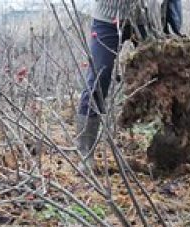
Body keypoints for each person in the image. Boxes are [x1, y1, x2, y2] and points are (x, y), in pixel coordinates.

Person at [75, 0, 183, 168]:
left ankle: (171, 151)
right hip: (108, 16)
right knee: (97, 78)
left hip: (148, 16)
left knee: (165, 80)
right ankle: (85, 154)